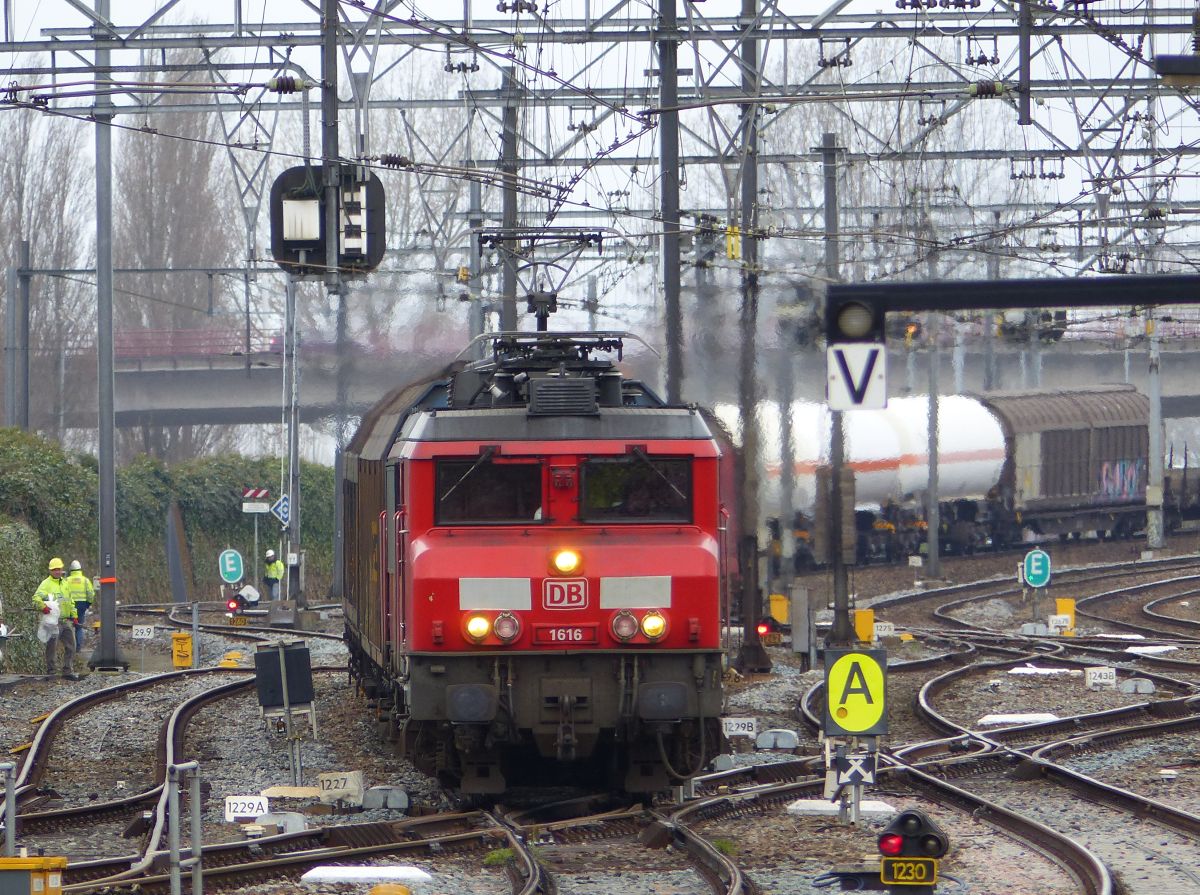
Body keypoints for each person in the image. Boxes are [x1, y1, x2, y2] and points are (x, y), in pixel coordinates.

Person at [32, 557, 79, 680]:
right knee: (52, 647)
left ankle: (67, 671)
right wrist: (43, 607)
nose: (57, 571)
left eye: (59, 569)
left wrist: (74, 615)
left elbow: (70, 601)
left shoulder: (65, 583)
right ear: (50, 571)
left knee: (71, 646)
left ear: (62, 569)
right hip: (53, 623)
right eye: (55, 570)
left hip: (66, 620)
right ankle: (51, 672)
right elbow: (36, 598)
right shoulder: (45, 584)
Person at [65, 560, 95, 652]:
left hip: (70, 605)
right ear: (80, 569)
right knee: (79, 627)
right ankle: (78, 648)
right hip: (82, 605)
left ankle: (69, 647)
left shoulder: (66, 580)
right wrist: (88, 603)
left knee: (69, 627)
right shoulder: (85, 580)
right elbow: (91, 593)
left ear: (71, 569)